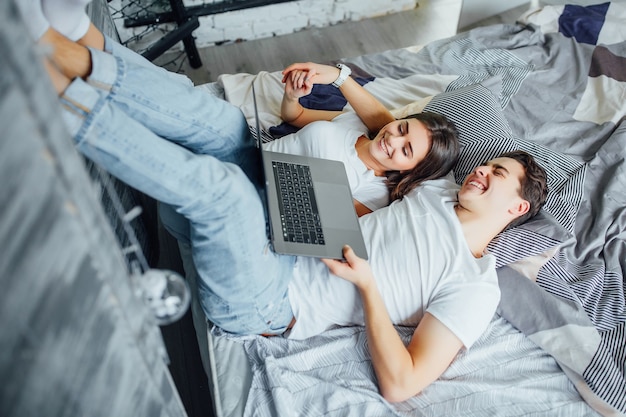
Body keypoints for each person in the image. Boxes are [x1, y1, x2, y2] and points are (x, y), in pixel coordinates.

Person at [22, 2, 548, 403]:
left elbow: (402, 384)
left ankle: (60, 99)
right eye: (486, 164)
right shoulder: (435, 189)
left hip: (274, 301)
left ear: (516, 208)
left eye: (496, 172)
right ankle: (79, 47)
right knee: (224, 124)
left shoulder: (474, 285)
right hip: (288, 228)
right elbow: (386, 135)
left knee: (228, 196)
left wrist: (368, 286)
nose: (480, 170)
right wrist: (339, 78)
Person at [272, 62, 459, 215]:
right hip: (254, 155)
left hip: (268, 195)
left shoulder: (374, 194)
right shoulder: (354, 122)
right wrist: (291, 96)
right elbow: (295, 117)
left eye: (406, 150)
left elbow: (321, 220)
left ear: (410, 170)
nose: (393, 140)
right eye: (401, 129)